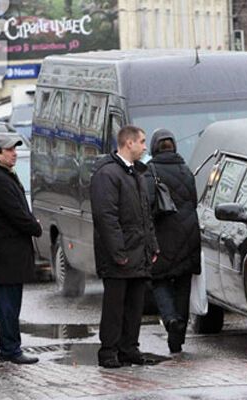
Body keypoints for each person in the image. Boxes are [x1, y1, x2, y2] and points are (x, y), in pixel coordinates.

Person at [90, 125, 159, 369]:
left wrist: (153, 246)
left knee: (134, 305)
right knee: (114, 306)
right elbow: (106, 217)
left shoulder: (136, 173)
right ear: (128, 143)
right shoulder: (108, 174)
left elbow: (145, 216)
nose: (144, 146)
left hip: (138, 252)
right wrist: (118, 253)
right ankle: (109, 351)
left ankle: (129, 348)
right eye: (141, 141)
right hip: (120, 255)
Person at [0, 135, 42, 364]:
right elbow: (16, 213)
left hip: (11, 250)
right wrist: (35, 226)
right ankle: (10, 349)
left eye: (14, 149)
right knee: (7, 303)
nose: (14, 153)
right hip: (5, 251)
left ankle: (11, 346)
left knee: (12, 302)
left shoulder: (4, 174)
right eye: (8, 150)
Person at [145, 129, 201, 353]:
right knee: (183, 286)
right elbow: (194, 201)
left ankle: (170, 319)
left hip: (162, 235)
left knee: (159, 281)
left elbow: (148, 205)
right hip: (188, 236)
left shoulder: (150, 171)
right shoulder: (186, 170)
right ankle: (177, 339)